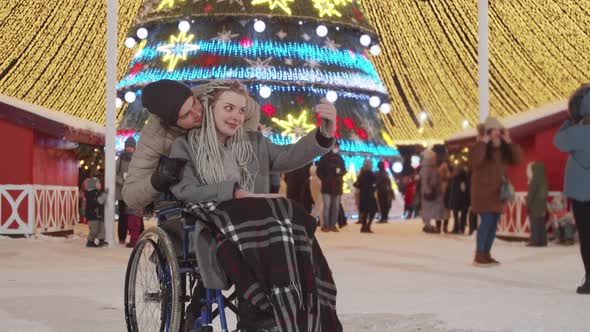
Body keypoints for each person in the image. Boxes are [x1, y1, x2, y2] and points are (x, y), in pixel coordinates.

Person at [168, 81, 342, 331]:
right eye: (228, 108)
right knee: (265, 222)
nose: (236, 117)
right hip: (213, 221)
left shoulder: (255, 142)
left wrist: (324, 134)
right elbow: (185, 191)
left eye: (241, 110)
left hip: (258, 223)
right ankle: (260, 317)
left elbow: (288, 156)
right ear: (209, 108)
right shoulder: (185, 145)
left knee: (292, 216)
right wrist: (233, 193)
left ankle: (304, 305)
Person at [122, 79, 261, 209]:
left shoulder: (211, 95)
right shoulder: (154, 137)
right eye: (186, 115)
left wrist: (239, 143)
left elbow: (252, 108)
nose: (197, 113)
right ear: (171, 123)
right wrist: (157, 181)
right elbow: (130, 196)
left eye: (194, 102)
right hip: (196, 192)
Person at [470, 116, 522, 266]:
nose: (496, 134)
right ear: (486, 132)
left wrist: (509, 142)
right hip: (482, 192)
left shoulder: (504, 150)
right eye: (493, 131)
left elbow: (518, 159)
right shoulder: (479, 147)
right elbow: (474, 162)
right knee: (487, 222)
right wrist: (483, 143)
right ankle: (479, 254)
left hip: (498, 193)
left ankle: (486, 253)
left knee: (493, 225)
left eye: (499, 131)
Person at [553, 84, 590, 294]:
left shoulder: (573, 132)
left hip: (580, 193)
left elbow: (558, 142)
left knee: (586, 236)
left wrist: (568, 123)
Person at [316, 142, 346, 232]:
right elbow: (319, 171)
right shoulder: (324, 158)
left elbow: (344, 170)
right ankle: (326, 225)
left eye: (337, 147)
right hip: (327, 186)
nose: (336, 148)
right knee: (327, 206)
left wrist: (340, 172)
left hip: (337, 186)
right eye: (335, 146)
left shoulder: (340, 159)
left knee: (335, 207)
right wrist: (325, 179)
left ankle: (333, 225)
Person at [116, 137, 136, 244]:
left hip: (133, 191)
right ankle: (122, 237)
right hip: (122, 191)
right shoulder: (121, 158)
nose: (129, 149)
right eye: (128, 146)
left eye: (131, 147)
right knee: (123, 215)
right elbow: (115, 173)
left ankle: (135, 236)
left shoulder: (137, 158)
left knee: (135, 214)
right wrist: (121, 181)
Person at [420, 150, 444, 233]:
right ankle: (430, 226)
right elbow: (425, 181)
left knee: (436, 210)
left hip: (434, 191)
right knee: (432, 209)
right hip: (432, 192)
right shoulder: (428, 168)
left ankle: (433, 226)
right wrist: (429, 190)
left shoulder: (431, 167)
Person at [526, 162, 549, 247]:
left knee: (534, 224)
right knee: (541, 224)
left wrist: (528, 205)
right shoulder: (544, 180)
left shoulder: (534, 181)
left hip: (534, 206)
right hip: (542, 206)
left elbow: (531, 195)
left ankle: (535, 241)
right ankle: (543, 241)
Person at [355, 159, 378, 233]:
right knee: (373, 210)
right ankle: (367, 226)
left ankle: (364, 227)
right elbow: (375, 182)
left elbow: (356, 184)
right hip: (369, 195)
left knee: (365, 211)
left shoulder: (362, 173)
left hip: (363, 195)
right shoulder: (370, 173)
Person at [83, 177, 107, 248]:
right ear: (93, 185)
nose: (100, 184)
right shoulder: (90, 194)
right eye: (98, 183)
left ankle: (101, 240)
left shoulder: (98, 193)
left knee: (102, 228)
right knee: (94, 230)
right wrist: (104, 196)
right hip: (92, 216)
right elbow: (97, 202)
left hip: (99, 215)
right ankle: (90, 241)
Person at [448, 164, 470, 234]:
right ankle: (461, 228)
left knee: (457, 216)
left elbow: (452, 190)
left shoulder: (455, 179)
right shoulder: (466, 179)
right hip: (464, 200)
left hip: (456, 200)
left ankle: (456, 228)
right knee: (463, 215)